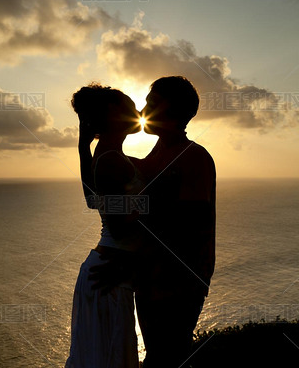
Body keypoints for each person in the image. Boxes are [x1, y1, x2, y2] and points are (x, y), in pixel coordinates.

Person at [134, 76, 216, 368]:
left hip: (178, 283)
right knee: (158, 356)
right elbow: (98, 194)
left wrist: (127, 261)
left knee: (165, 358)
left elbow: (191, 225)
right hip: (150, 278)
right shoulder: (156, 154)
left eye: (151, 102)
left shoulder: (194, 157)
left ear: (173, 108)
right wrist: (90, 140)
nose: (144, 107)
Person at [65, 84, 145, 368]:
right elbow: (120, 226)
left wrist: (81, 146)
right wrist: (156, 205)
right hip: (111, 274)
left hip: (103, 269)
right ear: (114, 112)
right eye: (131, 107)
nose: (139, 114)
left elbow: (91, 199)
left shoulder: (105, 155)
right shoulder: (111, 160)